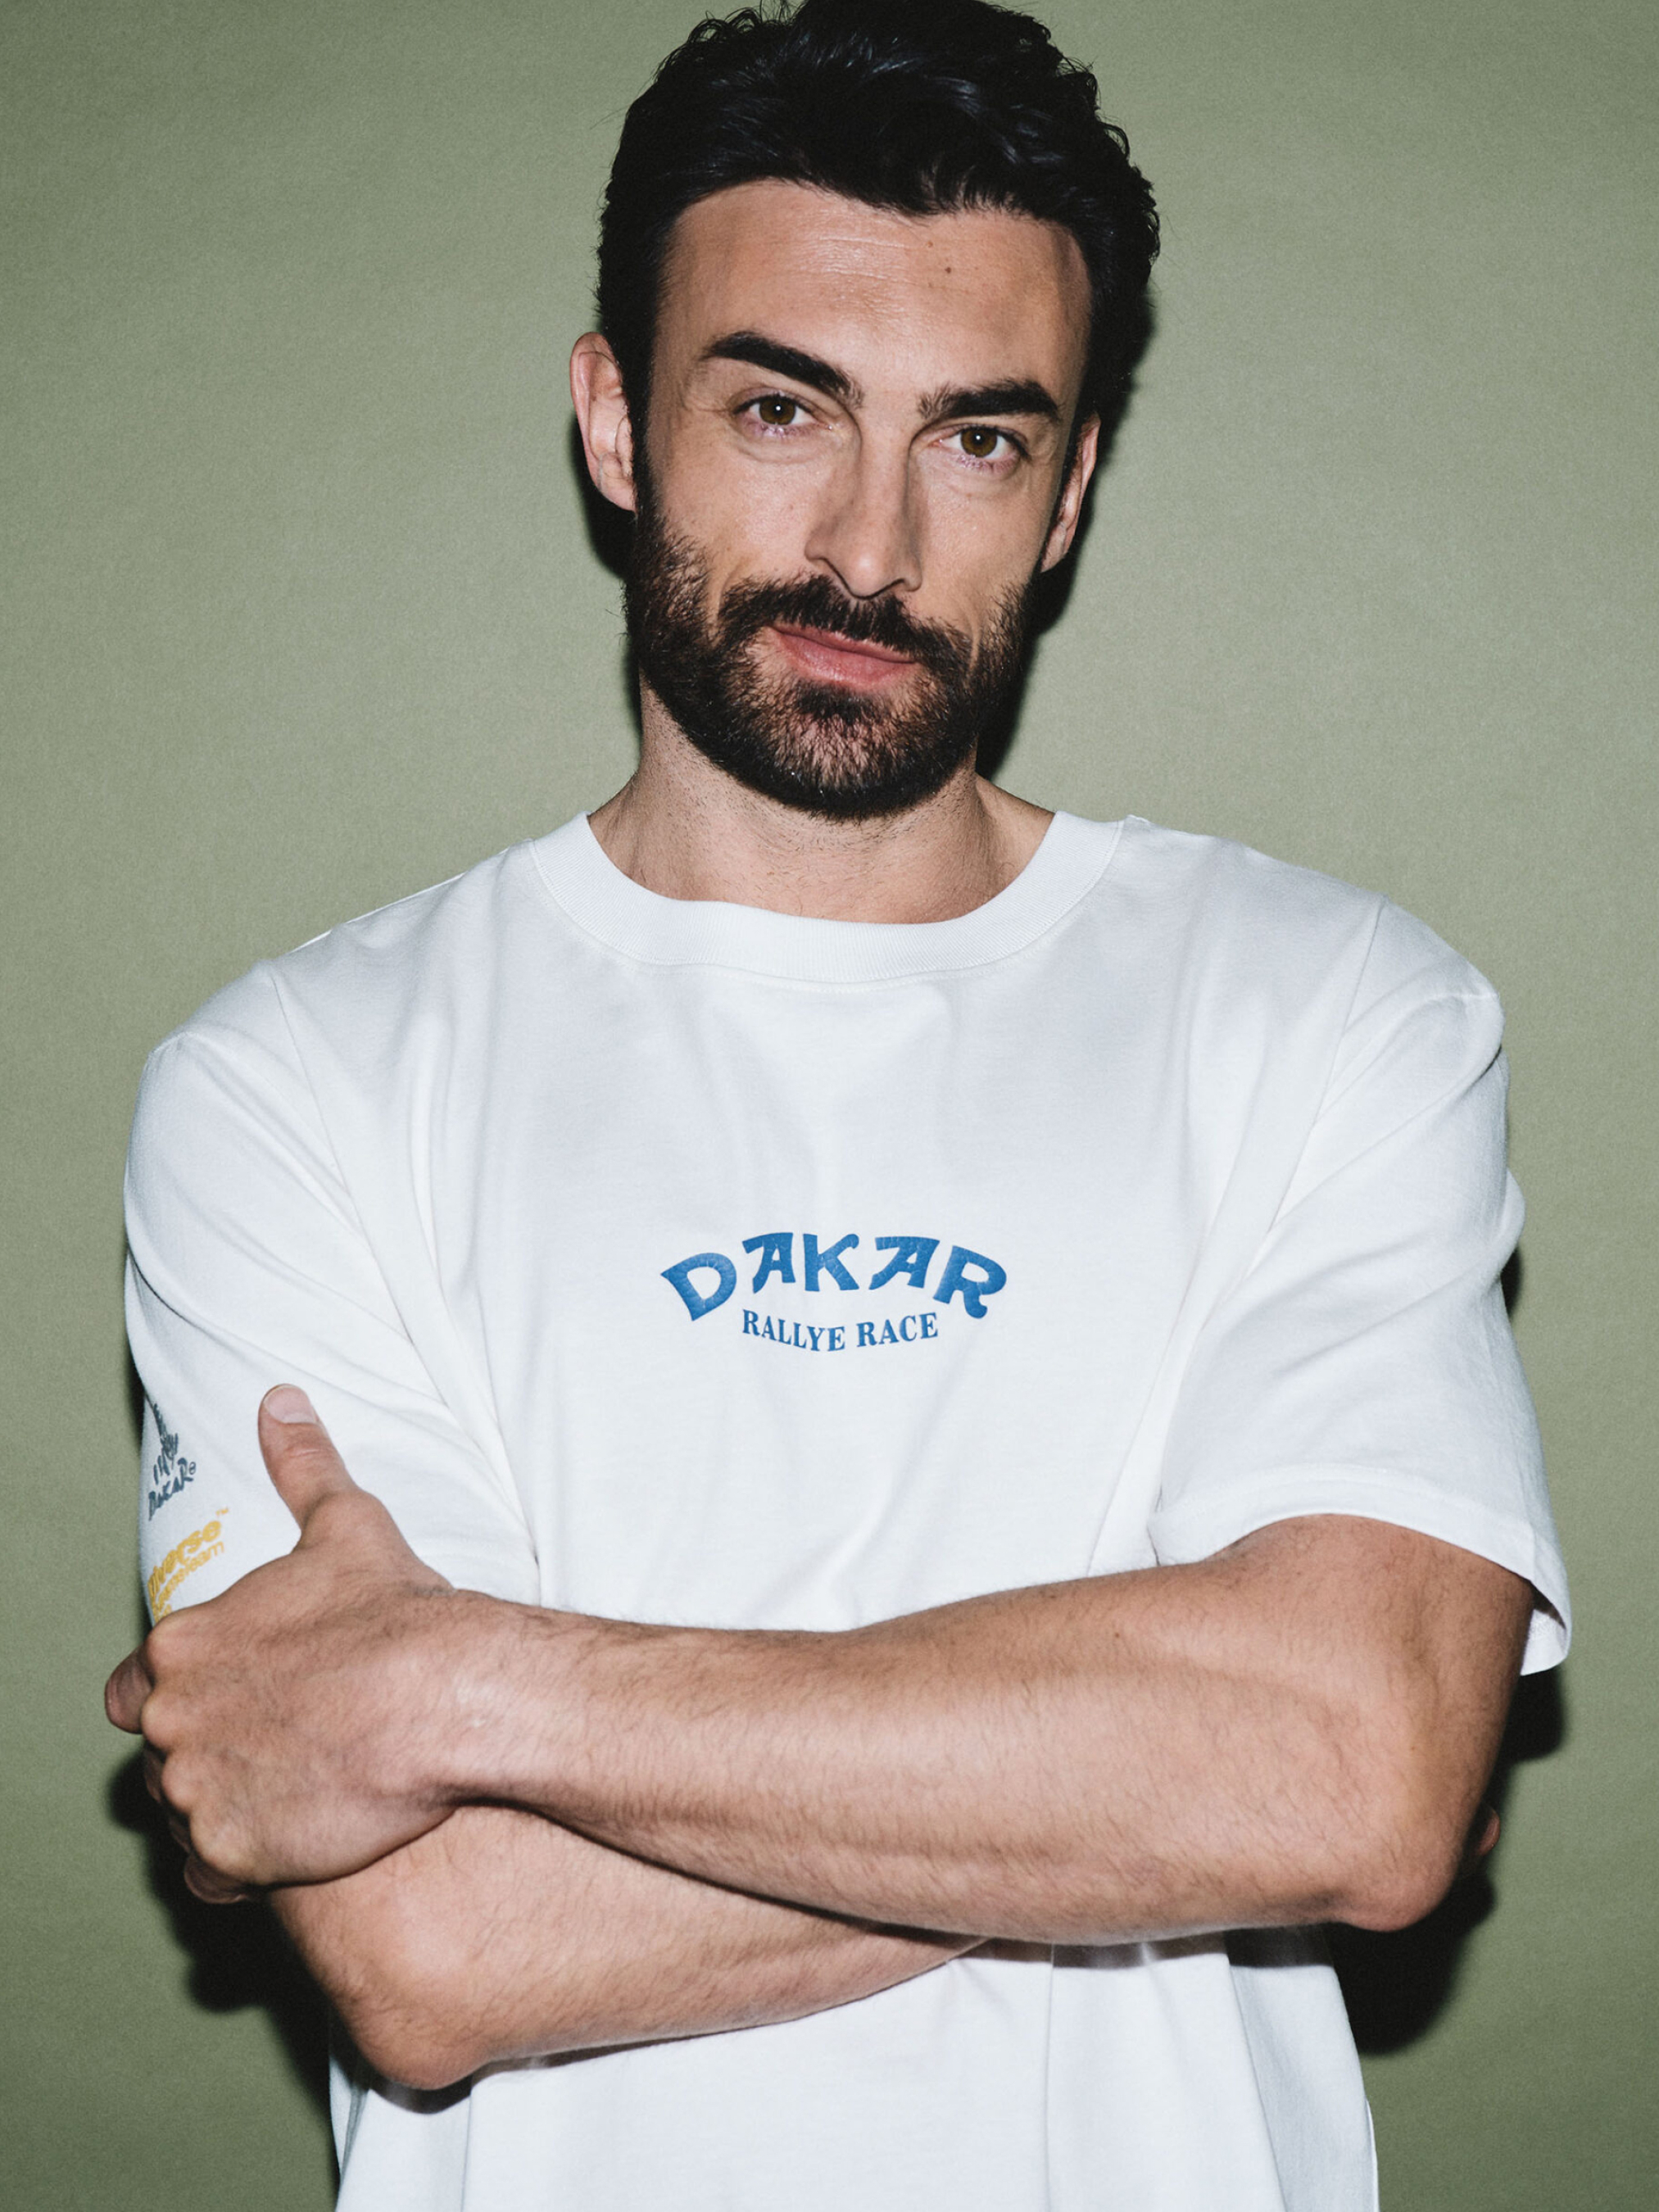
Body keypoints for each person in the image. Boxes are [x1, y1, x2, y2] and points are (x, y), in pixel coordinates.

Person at [105, 2, 1569, 2207]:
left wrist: (460, 1689)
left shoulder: (1334, 1010)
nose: (869, 547)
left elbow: (1352, 1775)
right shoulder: (293, 1085)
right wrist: (1176, 1782)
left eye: (975, 440)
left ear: (1068, 489)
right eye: (780, 409)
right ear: (616, 420)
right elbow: (439, 1945)